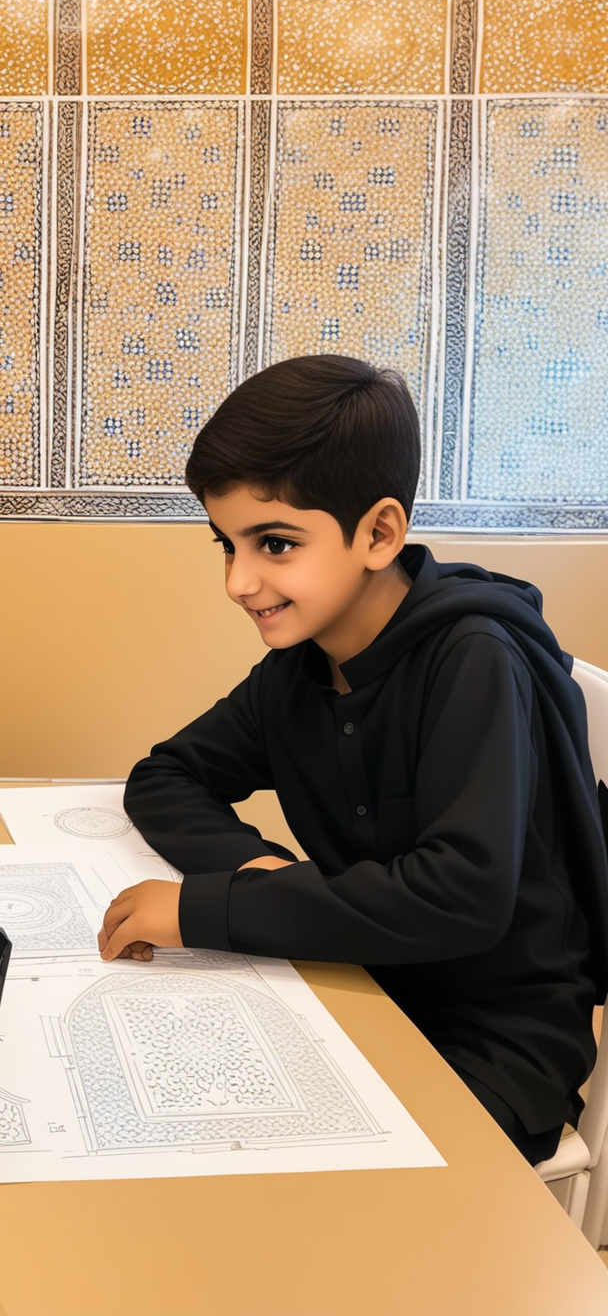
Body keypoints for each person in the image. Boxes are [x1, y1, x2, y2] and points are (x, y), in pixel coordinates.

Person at [98, 355, 608, 1164]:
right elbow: (168, 776)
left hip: (489, 1041)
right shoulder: (300, 667)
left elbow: (460, 897)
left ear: (378, 533)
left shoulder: (473, 659)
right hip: (354, 981)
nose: (239, 580)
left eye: (274, 544)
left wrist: (205, 908)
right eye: (225, 545)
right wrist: (255, 870)